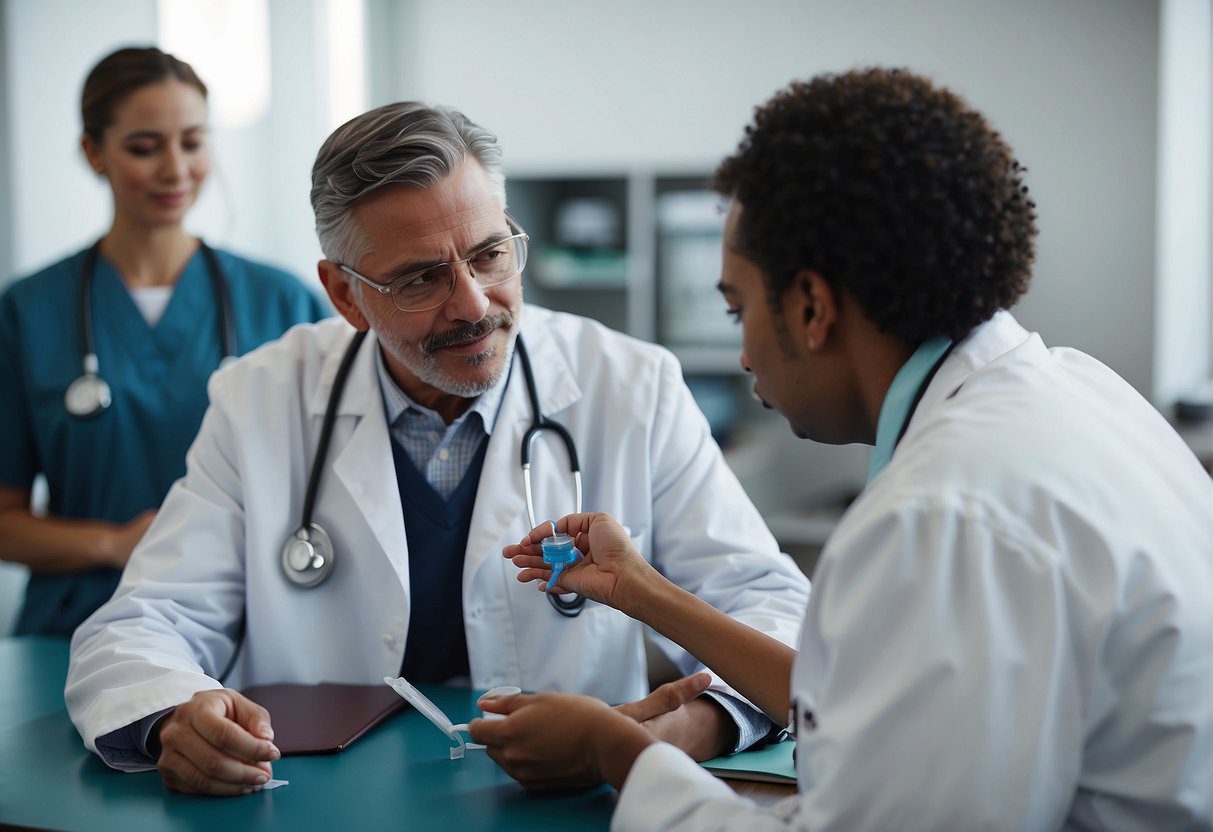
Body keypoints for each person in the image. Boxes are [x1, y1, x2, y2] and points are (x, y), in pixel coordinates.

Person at [473, 68, 1213, 830]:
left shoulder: (939, 514)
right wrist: (641, 589)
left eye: (738, 310)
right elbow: (883, 701)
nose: (743, 356)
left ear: (811, 307)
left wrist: (615, 754)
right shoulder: (1077, 390)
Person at [64, 101, 811, 795]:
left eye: (489, 254)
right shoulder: (261, 398)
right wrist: (172, 716)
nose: (473, 304)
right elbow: (142, 624)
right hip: (324, 806)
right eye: (421, 278)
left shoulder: (631, 386)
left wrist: (685, 730)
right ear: (345, 295)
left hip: (567, 802)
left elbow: (769, 606)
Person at [0, 46, 329, 637]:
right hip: (77, 626)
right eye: (144, 147)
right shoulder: (28, 312)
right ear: (93, 152)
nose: (175, 170)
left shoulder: (284, 302)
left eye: (193, 142)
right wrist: (113, 543)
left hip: (252, 631)